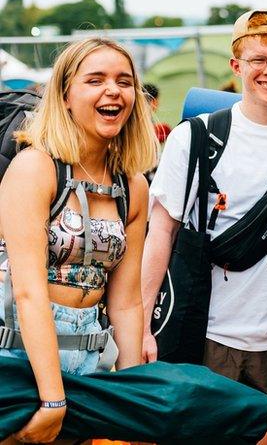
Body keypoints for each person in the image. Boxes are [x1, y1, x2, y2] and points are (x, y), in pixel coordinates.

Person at [141, 9, 267, 445]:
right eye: (258, 60)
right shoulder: (197, 137)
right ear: (237, 67)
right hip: (202, 327)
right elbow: (161, 233)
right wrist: (140, 325)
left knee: (264, 436)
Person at [0, 38, 155, 443]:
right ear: (66, 95)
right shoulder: (35, 167)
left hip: (90, 360)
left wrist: (135, 395)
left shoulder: (132, 185)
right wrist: (53, 401)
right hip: (18, 357)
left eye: (124, 81)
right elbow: (28, 292)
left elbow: (126, 301)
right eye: (95, 80)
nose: (113, 91)